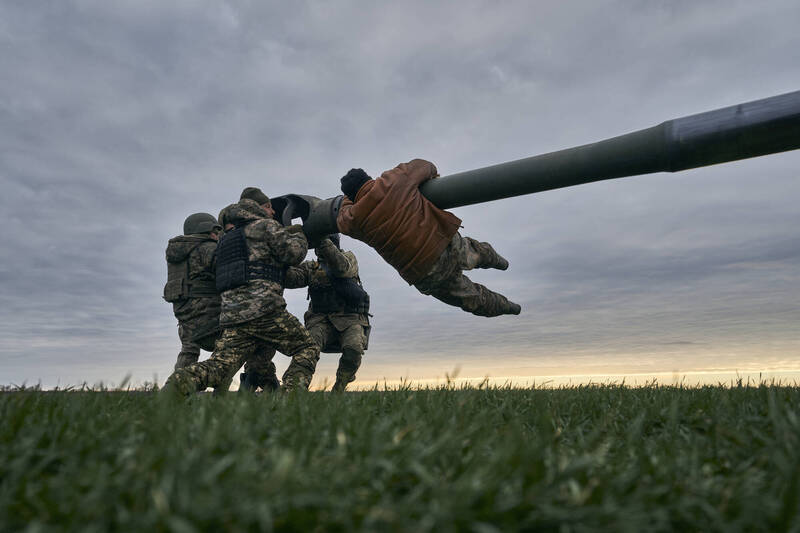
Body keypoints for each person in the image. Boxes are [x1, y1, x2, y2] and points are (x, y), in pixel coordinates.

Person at [163, 188, 320, 396]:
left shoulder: (227, 240)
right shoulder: (265, 226)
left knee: (219, 366)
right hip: (265, 311)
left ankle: (179, 383)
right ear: (260, 208)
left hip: (232, 318)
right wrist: (299, 233)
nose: (273, 212)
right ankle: (291, 397)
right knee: (306, 348)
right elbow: (294, 254)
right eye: (269, 207)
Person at [337, 159, 520, 317]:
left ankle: (511, 308)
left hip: (426, 273)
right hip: (445, 244)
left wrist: (346, 200)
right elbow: (426, 165)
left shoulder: (353, 219)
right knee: (478, 251)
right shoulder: (394, 179)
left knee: (474, 299)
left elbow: (341, 218)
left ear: (352, 197)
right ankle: (501, 263)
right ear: (369, 178)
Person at [164, 212, 279, 392]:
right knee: (257, 340)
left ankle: (176, 396)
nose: (219, 235)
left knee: (188, 352)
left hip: (186, 319)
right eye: (217, 231)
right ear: (209, 230)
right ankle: (253, 388)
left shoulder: (178, 255)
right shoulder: (206, 248)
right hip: (210, 320)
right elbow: (231, 266)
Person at [285, 234, 370, 392]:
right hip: (320, 319)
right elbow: (292, 279)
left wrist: (322, 239)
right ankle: (293, 391)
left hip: (349, 318)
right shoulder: (312, 267)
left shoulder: (349, 258)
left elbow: (341, 268)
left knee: (353, 348)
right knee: (307, 350)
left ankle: (340, 386)